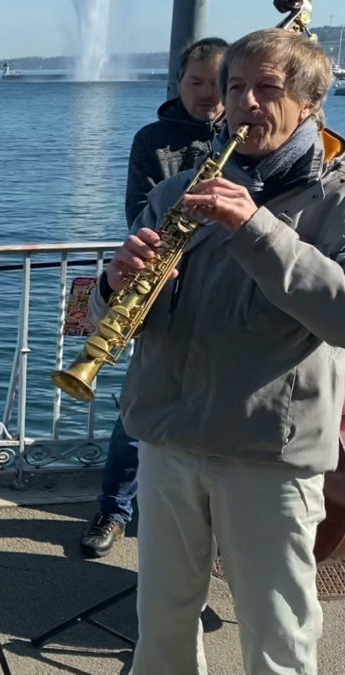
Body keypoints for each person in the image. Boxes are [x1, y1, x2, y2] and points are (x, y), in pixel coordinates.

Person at [91, 28, 342, 673]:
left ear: (312, 104)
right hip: (169, 439)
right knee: (164, 626)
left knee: (277, 637)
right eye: (236, 87)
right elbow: (129, 314)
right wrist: (110, 286)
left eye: (269, 90)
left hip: (268, 451)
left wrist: (254, 228)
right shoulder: (178, 192)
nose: (247, 103)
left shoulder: (336, 198)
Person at [81, 36, 228, 558]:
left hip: (219, 291)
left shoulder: (245, 141)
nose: (207, 94)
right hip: (160, 287)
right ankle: (113, 509)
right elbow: (139, 211)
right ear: (178, 84)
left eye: (217, 83)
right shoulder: (154, 139)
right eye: (196, 82)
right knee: (137, 410)